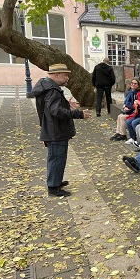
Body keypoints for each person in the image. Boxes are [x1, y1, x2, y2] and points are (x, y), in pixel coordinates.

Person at [32, 63, 90, 197]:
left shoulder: (48, 86)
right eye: (65, 75)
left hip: (53, 129)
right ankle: (53, 187)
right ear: (56, 75)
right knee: (57, 158)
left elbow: (52, 105)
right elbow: (56, 110)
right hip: (55, 130)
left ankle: (56, 181)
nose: (67, 78)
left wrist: (66, 103)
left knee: (57, 157)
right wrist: (78, 114)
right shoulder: (52, 90)